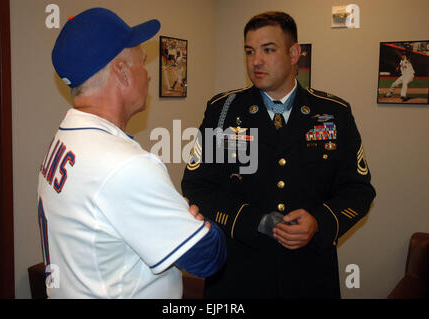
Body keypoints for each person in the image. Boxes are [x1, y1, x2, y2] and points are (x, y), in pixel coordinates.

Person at [181, 11, 375, 298]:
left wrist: (319, 222)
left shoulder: (333, 113)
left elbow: (358, 191)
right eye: (250, 51)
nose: (256, 61)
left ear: (294, 53)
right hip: (238, 274)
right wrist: (254, 221)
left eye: (268, 50)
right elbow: (197, 187)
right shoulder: (223, 111)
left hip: (310, 274)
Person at [38, 7, 226, 299]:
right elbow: (207, 257)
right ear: (122, 72)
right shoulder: (125, 165)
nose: (149, 76)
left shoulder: (64, 138)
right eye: (142, 62)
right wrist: (202, 226)